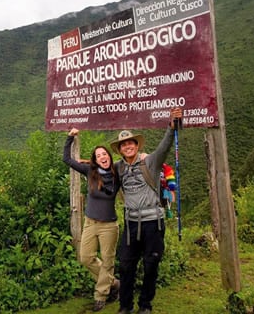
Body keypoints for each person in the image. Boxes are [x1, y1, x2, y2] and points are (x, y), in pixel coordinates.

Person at [110, 108, 183, 314]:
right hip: (131, 224)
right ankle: (125, 306)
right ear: (120, 149)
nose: (127, 147)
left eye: (131, 143)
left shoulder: (150, 162)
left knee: (151, 265)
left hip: (153, 223)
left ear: (136, 145)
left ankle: (145, 305)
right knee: (125, 266)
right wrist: (85, 163)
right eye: (124, 145)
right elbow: (101, 165)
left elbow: (164, 147)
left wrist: (171, 126)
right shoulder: (119, 167)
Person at [63, 128, 121, 312]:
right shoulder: (90, 171)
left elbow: (131, 161)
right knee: (85, 258)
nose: (102, 157)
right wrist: (70, 138)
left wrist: (143, 155)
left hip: (109, 225)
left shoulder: (118, 172)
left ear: (110, 157)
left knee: (108, 261)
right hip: (90, 223)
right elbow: (67, 159)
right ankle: (114, 283)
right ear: (95, 160)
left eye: (105, 154)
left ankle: (100, 295)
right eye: (98, 155)